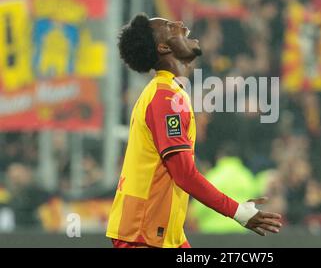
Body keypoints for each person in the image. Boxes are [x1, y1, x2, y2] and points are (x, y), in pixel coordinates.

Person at [106, 13, 282, 248]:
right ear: (163, 47)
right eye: (169, 26)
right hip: (143, 234)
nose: (180, 24)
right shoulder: (164, 96)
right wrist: (239, 212)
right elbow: (184, 175)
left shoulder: (169, 92)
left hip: (161, 234)